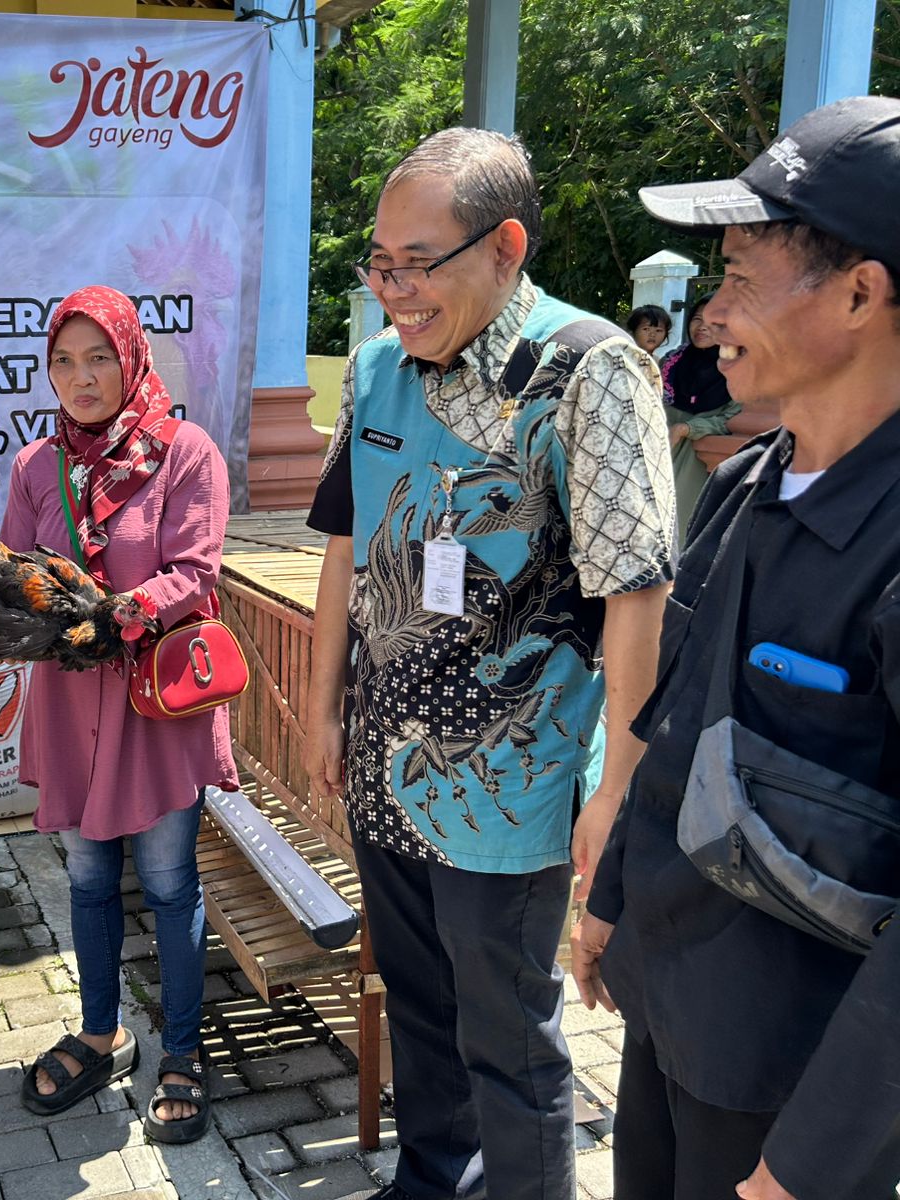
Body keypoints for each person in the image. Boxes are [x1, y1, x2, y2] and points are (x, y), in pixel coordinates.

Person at [303, 127, 677, 1200]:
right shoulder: (377, 368)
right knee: (417, 1006)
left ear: (505, 245)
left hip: (510, 787)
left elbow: (635, 593)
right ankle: (432, 1183)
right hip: (387, 762)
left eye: (417, 264)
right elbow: (341, 550)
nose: (393, 292)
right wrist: (325, 712)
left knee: (505, 1038)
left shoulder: (590, 369)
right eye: (379, 264)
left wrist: (616, 789)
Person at [574, 94, 900, 1200]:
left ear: (861, 293)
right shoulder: (743, 485)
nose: (709, 316)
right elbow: (673, 722)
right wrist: (610, 902)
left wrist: (805, 1168)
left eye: (743, 279)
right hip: (670, 1012)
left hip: (790, 1081)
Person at [0, 285, 233, 1142]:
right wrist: (19, 607)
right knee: (90, 879)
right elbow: (15, 571)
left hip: (154, 707)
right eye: (64, 359)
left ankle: (181, 1048)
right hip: (68, 702)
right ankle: (101, 1032)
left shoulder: (183, 452)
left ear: (132, 358)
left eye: (99, 357)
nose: (81, 377)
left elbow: (196, 573)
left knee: (170, 884)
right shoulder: (34, 466)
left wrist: (111, 613)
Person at [660, 294, 742, 545]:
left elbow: (730, 418)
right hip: (658, 449)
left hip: (696, 460)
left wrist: (687, 428)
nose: (702, 327)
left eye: (713, 322)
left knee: (679, 528)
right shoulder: (672, 362)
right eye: (697, 319)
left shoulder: (737, 370)